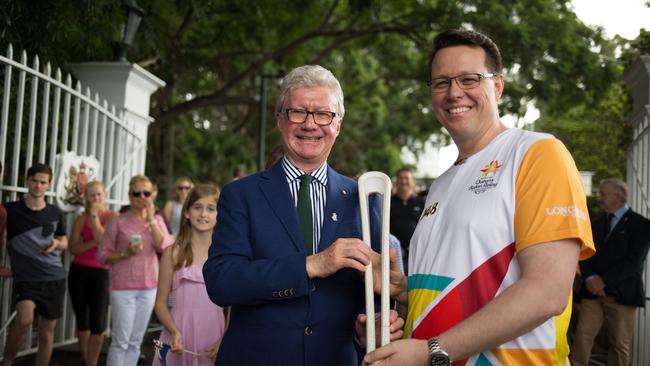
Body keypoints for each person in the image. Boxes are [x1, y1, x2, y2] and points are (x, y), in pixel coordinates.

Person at [362, 29, 595, 366]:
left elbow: (547, 292)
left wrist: (430, 352)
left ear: (497, 85)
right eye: (441, 83)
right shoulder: (441, 183)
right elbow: (467, 285)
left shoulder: (538, 153)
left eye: (469, 79)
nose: (454, 92)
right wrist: (404, 291)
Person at [203, 64, 402, 365]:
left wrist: (368, 331)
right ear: (279, 119)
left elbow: (373, 293)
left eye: (323, 114)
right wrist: (313, 264)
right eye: (298, 112)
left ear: (338, 124)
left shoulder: (364, 199)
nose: (310, 124)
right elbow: (222, 282)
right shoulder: (241, 195)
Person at [571, 178, 650, 366]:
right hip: (591, 294)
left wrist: (603, 281)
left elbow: (633, 262)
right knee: (582, 338)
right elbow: (584, 252)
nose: (599, 197)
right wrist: (590, 277)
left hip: (622, 294)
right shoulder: (594, 223)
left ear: (618, 196)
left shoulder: (642, 225)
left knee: (619, 344)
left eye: (603, 194)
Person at [97, 175, 173, 366]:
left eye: (146, 193)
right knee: (120, 342)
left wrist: (152, 221)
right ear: (129, 195)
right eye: (136, 193)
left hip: (149, 287)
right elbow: (102, 255)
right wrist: (125, 253)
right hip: (123, 288)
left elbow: (164, 247)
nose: (141, 197)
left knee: (135, 342)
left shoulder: (156, 220)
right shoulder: (118, 221)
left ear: (152, 195)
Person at [1, 163, 68, 366]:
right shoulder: (10, 210)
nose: (38, 186)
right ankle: (7, 362)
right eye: (35, 181)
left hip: (54, 278)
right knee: (23, 321)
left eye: (43, 182)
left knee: (47, 335)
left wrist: (57, 243)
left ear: (48, 185)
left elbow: (64, 242)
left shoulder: (54, 212)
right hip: (27, 278)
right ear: (27, 181)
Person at [154, 183, 227, 366]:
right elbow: (160, 304)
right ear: (186, 212)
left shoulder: (225, 256)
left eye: (211, 209)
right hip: (178, 333)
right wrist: (173, 331)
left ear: (219, 215)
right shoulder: (172, 253)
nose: (203, 214)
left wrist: (225, 338)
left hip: (214, 336)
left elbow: (235, 307)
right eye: (197, 207)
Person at [67, 180, 117, 366]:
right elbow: (73, 247)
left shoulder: (113, 217)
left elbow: (106, 241)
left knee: (98, 324)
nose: (96, 198)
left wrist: (95, 218)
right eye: (92, 195)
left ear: (104, 195)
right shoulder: (81, 219)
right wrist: (95, 243)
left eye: (99, 194)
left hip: (102, 273)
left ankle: (92, 363)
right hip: (79, 271)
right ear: (86, 198)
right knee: (83, 321)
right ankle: (87, 362)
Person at [390, 167, 424, 273]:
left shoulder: (421, 203)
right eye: (400, 178)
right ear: (396, 181)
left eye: (407, 178)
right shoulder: (388, 203)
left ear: (412, 182)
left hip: (416, 255)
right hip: (393, 256)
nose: (404, 181)